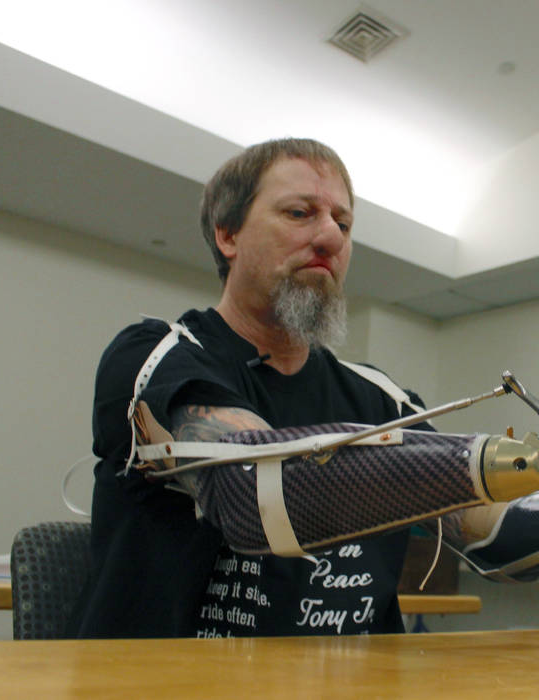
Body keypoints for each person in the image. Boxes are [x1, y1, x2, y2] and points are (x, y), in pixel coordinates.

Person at [70, 138, 439, 638]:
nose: (331, 237)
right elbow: (258, 486)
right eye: (300, 213)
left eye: (344, 224)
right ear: (228, 234)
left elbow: (498, 535)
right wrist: (440, 471)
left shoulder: (381, 398)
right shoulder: (150, 356)